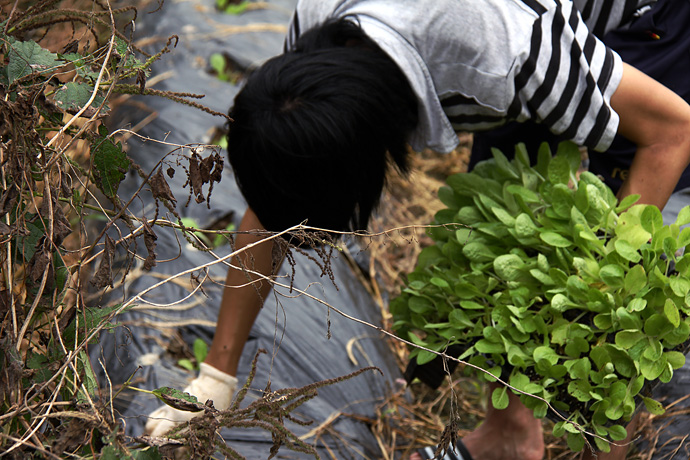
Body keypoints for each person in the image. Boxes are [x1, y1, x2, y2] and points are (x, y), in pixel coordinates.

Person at [145, 1, 690, 459]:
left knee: (607, 240)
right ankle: (509, 437)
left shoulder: (501, 55)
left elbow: (671, 130)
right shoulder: (316, 44)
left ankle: (609, 438)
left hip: (648, 23)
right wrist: (215, 379)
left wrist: (599, 288)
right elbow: (275, 209)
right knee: (509, 213)